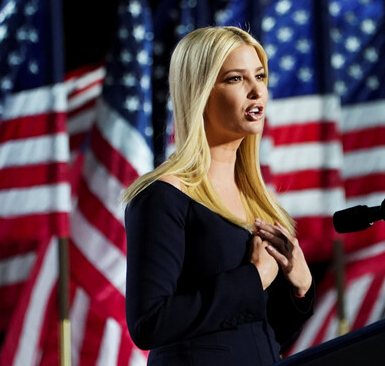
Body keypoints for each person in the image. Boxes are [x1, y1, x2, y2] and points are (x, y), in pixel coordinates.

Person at [123, 26, 315, 365]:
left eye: (260, 76)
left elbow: (264, 336)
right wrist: (254, 278)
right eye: (236, 79)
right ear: (200, 93)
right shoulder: (163, 197)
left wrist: (301, 288)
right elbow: (148, 322)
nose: (257, 91)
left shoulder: (260, 204)